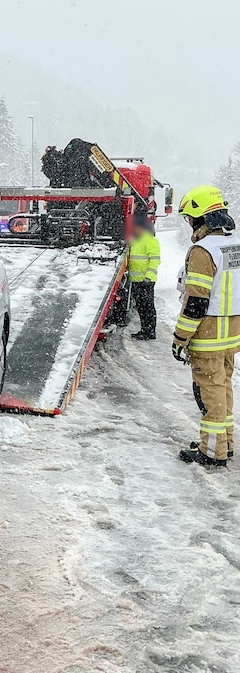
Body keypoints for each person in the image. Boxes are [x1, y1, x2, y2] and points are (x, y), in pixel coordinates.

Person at [175, 185, 240, 467]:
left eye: (190, 218)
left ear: (201, 217)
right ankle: (225, 444)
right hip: (231, 334)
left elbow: (196, 303)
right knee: (222, 390)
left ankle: (212, 452)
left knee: (209, 395)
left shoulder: (202, 251)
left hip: (209, 335)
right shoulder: (234, 245)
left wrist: (180, 337)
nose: (189, 224)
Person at [128, 214, 161, 340]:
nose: (133, 229)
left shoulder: (150, 240)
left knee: (148, 308)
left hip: (146, 281)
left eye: (135, 227)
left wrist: (149, 277)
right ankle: (144, 330)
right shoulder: (135, 240)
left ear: (141, 227)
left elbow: (155, 260)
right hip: (136, 281)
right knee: (141, 308)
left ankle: (150, 332)